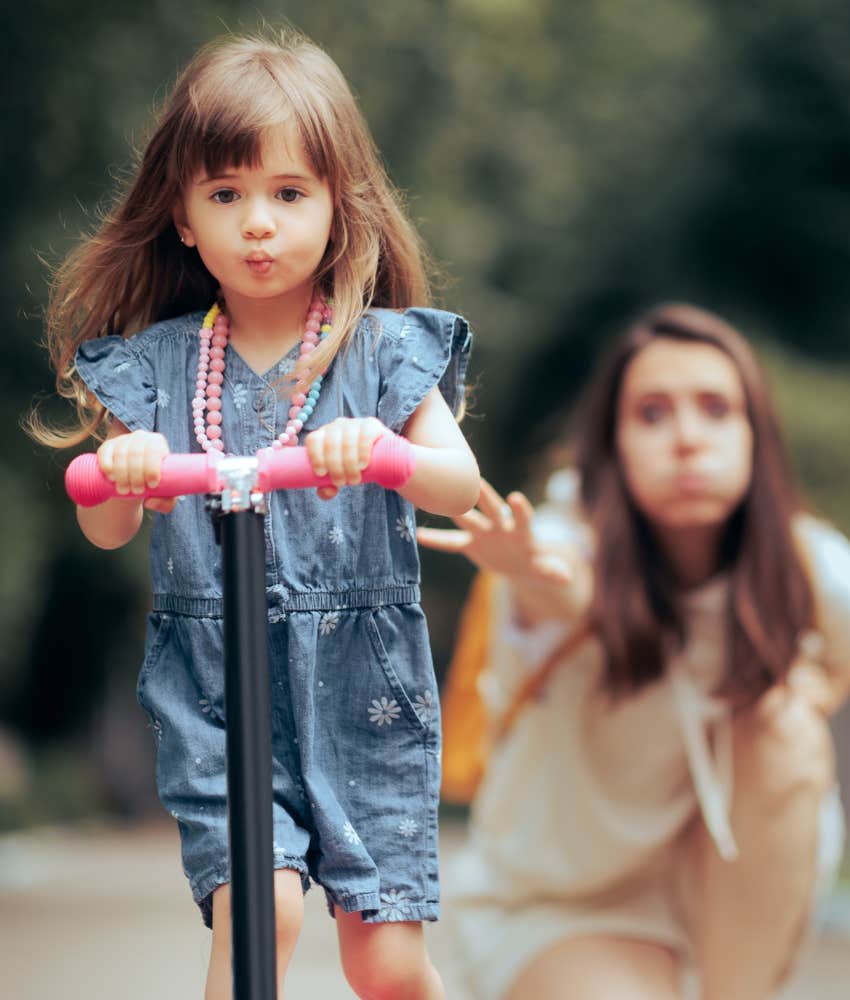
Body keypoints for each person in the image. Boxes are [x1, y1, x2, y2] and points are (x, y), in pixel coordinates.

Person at [30, 30, 480, 1000]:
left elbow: (460, 483)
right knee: (257, 912)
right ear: (184, 218)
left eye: (287, 193)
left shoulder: (381, 353)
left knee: (387, 963)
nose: (258, 223)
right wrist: (123, 473)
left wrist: (390, 452)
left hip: (364, 682)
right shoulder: (152, 368)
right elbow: (103, 524)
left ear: (336, 205)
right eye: (226, 195)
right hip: (218, 689)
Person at [418, 302, 850, 1000]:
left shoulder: (807, 568)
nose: (687, 438)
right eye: (652, 413)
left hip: (722, 893)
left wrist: (814, 690)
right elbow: (566, 589)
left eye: (715, 408)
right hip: (563, 908)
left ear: (755, 435)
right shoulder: (566, 542)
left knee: (785, 725)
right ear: (612, 443)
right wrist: (526, 572)